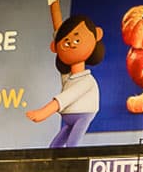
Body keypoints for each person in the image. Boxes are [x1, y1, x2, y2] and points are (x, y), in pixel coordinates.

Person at [26, 14, 105, 148]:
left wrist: (43, 112)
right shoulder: (67, 77)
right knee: (54, 148)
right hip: (68, 119)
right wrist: (53, 5)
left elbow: (66, 97)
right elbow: (59, 34)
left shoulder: (87, 81)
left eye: (77, 40)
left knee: (71, 145)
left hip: (83, 116)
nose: (72, 44)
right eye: (67, 43)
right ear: (55, 47)